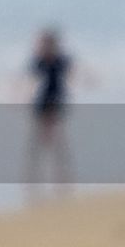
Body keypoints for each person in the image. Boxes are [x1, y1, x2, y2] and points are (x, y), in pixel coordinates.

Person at [25, 28, 74, 199]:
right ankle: (32, 182)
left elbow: (73, 72)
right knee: (37, 145)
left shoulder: (60, 61)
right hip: (41, 107)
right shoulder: (39, 61)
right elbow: (29, 81)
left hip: (56, 106)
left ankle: (62, 180)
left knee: (58, 145)